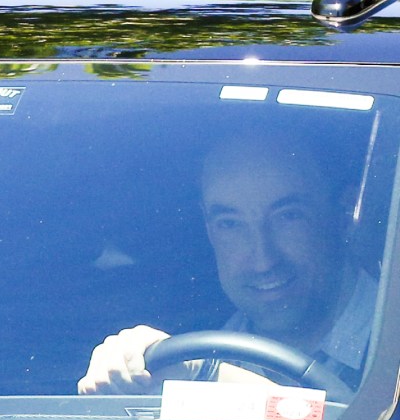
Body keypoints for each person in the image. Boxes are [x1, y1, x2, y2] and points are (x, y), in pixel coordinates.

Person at [77, 135, 376, 396]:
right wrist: (130, 369)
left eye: (288, 216)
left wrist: (204, 374)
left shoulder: (389, 351)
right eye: (230, 224)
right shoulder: (189, 344)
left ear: (345, 213)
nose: (263, 261)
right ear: (208, 228)